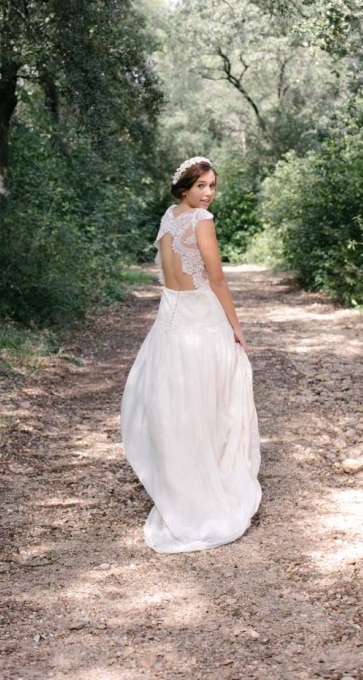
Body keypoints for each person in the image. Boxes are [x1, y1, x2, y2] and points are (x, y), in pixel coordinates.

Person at [121, 156, 261, 553]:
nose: (209, 193)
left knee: (180, 404)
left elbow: (166, 274)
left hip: (171, 320)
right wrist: (235, 325)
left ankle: (185, 489)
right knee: (215, 402)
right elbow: (216, 278)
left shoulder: (168, 217)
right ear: (185, 187)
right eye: (202, 186)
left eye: (213, 186)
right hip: (200, 318)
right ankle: (208, 491)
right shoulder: (202, 221)